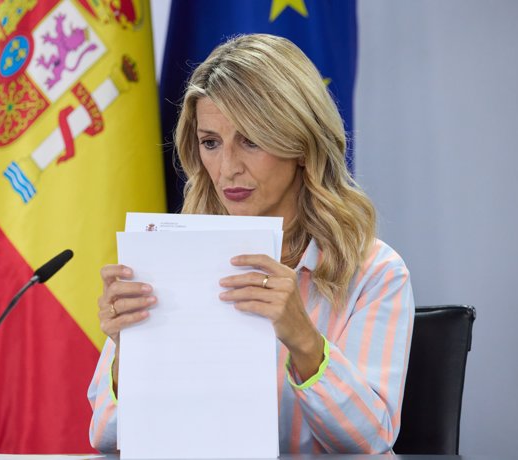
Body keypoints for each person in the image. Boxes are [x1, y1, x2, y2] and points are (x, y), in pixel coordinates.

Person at [88, 33, 414, 454]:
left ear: (300, 144)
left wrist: (303, 340)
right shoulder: (168, 258)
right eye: (211, 143)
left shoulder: (375, 272)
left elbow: (369, 441)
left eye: (251, 140)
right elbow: (105, 435)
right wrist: (126, 351)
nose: (227, 168)